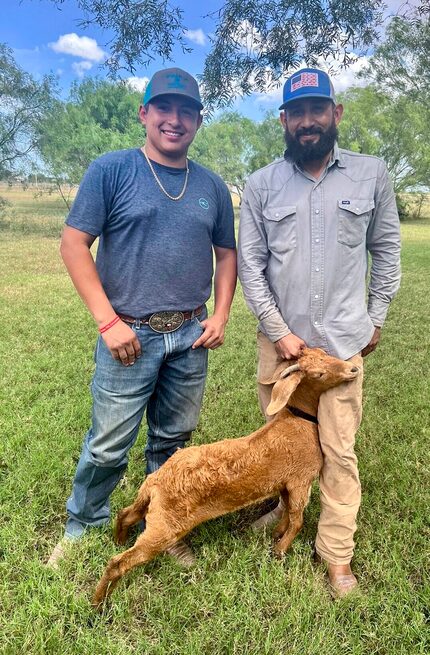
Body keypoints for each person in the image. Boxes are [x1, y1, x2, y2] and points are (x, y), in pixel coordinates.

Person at [48, 67, 237, 567]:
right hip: (128, 334)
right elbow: (73, 245)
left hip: (191, 334)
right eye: (164, 108)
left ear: (198, 119)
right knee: (109, 443)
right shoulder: (111, 171)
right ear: (145, 113)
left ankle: (165, 523)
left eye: (187, 111)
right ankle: (83, 525)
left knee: (173, 442)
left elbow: (226, 254)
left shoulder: (213, 187)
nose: (175, 120)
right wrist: (108, 322)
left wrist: (220, 314)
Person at [238, 68, 401, 597]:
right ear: (284, 120)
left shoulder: (371, 174)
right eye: (297, 112)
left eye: (317, 109)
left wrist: (375, 316)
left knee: (338, 450)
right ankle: (281, 507)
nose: (308, 121)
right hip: (281, 347)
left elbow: (387, 250)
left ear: (336, 113)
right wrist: (279, 331)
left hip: (339, 347)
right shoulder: (262, 184)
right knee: (281, 441)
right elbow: (251, 266)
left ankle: (335, 554)